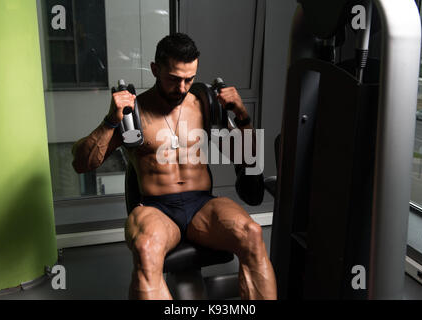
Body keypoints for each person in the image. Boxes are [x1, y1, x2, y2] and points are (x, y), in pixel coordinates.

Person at [71, 33, 277, 300]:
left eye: (189, 79)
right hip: (157, 208)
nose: (182, 88)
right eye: (174, 79)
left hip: (201, 203)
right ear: (155, 70)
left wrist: (243, 116)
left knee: (252, 232)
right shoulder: (133, 113)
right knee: (146, 248)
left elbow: (247, 160)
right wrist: (111, 120)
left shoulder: (205, 105)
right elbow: (81, 163)